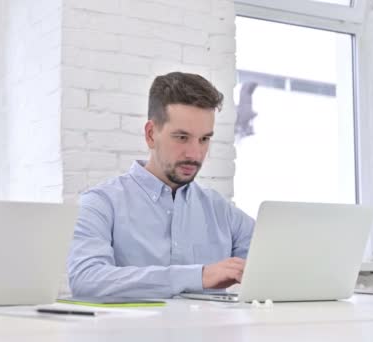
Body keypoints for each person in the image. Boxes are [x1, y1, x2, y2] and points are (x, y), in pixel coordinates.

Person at [67, 72, 255, 298]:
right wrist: (199, 276)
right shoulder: (101, 203)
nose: (195, 154)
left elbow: (277, 261)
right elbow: (86, 279)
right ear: (150, 134)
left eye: (204, 139)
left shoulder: (220, 211)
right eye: (182, 137)